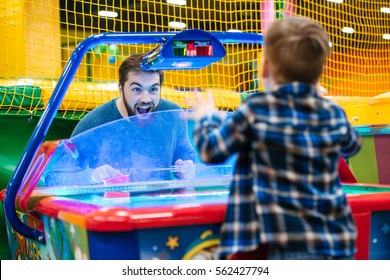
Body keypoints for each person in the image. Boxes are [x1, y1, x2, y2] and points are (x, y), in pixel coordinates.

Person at [188, 16, 362, 260]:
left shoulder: (257, 109)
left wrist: (207, 118)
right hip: (337, 238)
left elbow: (211, 151)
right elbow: (352, 145)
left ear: (265, 67)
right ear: (320, 72)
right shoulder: (332, 112)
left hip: (289, 242)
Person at [45, 53, 195, 186]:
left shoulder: (173, 116)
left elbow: (185, 154)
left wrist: (185, 167)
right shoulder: (94, 123)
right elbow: (55, 177)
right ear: (120, 89)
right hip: (110, 209)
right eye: (137, 89)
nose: (146, 98)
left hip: (158, 208)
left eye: (153, 89)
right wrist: (92, 176)